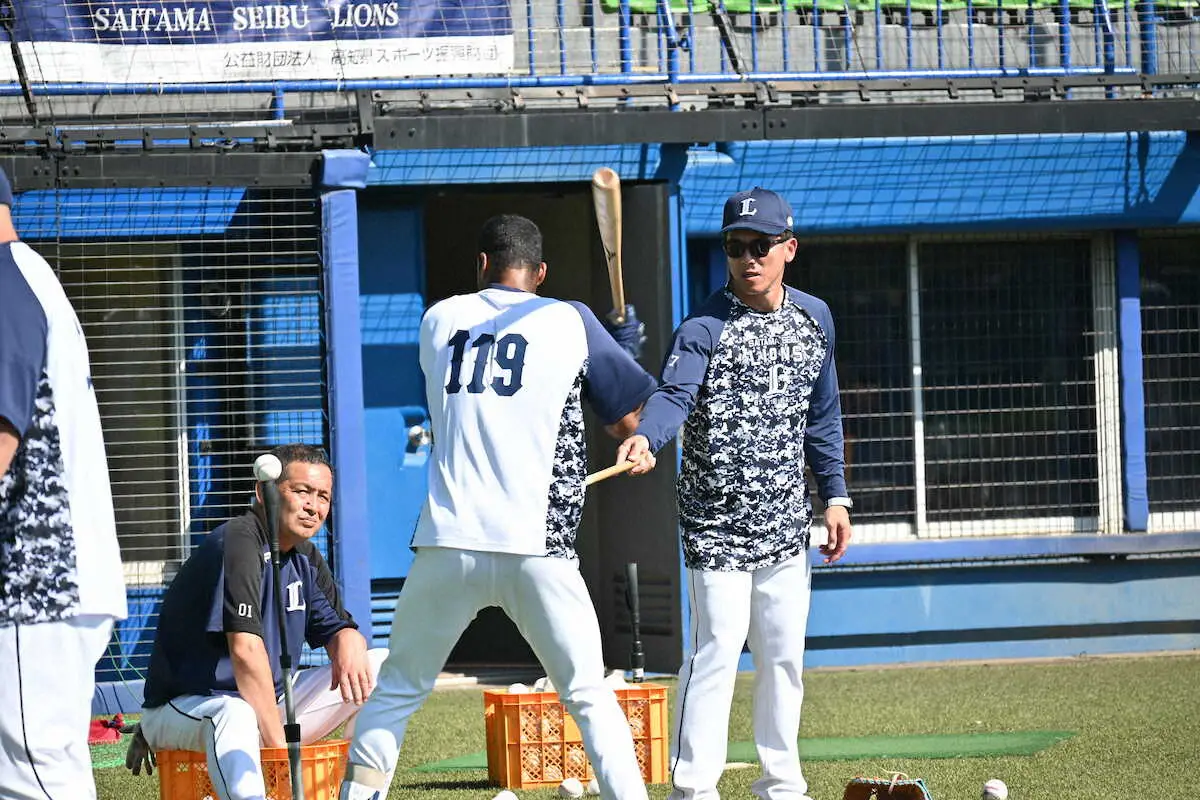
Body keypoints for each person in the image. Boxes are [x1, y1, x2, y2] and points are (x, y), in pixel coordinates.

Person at [338, 214, 658, 800]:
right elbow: (630, 424)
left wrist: (604, 352)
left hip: (447, 542)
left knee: (398, 689)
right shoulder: (571, 320)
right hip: (537, 546)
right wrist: (619, 353)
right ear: (540, 272)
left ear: (481, 264)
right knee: (587, 694)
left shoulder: (437, 320)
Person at [617, 188, 853, 800]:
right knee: (715, 652)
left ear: (788, 249)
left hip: (786, 525)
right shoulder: (701, 327)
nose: (747, 257)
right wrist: (648, 438)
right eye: (734, 246)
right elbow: (674, 397)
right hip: (713, 524)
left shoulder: (815, 318)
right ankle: (694, 788)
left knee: (783, 658)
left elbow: (823, 416)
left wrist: (836, 497)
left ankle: (781, 783)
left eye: (760, 245)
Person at [127, 443, 386, 800]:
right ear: (263, 493)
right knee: (233, 714)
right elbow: (245, 651)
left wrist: (348, 640)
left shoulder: (305, 554)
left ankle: (358, 796)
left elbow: (340, 628)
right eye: (301, 492)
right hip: (188, 704)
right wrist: (281, 755)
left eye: (323, 496)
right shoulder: (238, 540)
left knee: (381, 665)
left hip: (267, 707)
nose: (314, 506)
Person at [0, 169, 129, 799]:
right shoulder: (30, 277)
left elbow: (3, 431)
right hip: (50, 584)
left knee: (35, 777)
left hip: (37, 582)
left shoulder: (5, 283)